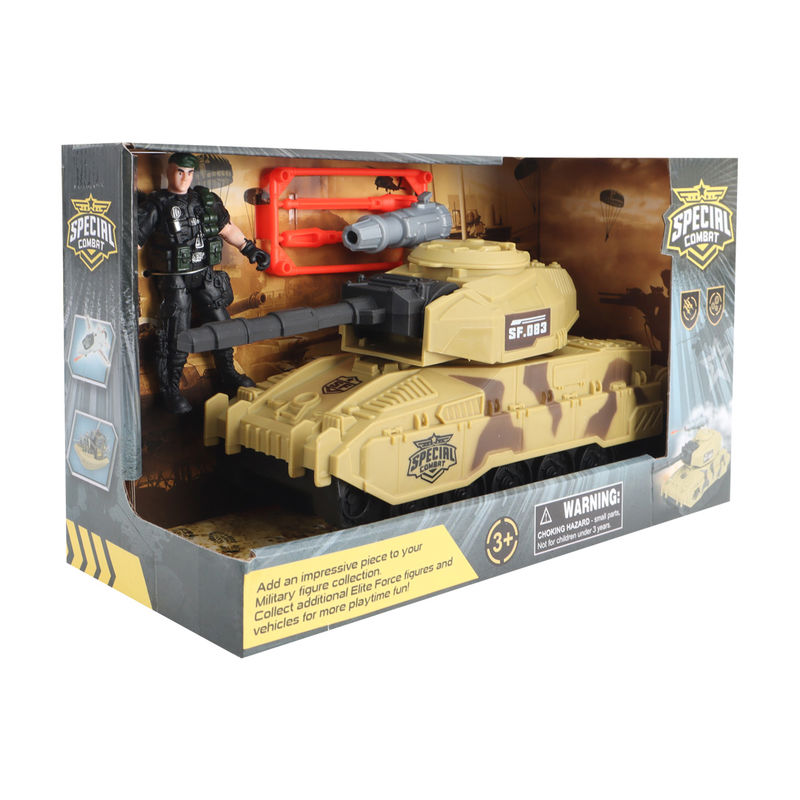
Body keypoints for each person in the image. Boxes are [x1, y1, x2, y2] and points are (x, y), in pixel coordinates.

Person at [137, 152, 270, 413]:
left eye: (189, 173)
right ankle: (171, 390)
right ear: (169, 172)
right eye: (179, 172)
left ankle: (228, 374)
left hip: (205, 274)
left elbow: (227, 229)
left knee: (223, 323)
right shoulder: (157, 205)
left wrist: (250, 249)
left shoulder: (204, 200)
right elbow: (135, 240)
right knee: (176, 332)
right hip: (174, 279)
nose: (185, 178)